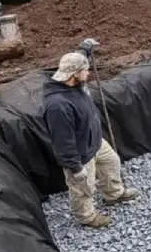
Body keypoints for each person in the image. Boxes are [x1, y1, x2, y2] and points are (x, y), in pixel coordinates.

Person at [43, 50, 141, 228]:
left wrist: (85, 50)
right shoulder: (58, 106)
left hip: (94, 142)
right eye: (85, 70)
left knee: (112, 162)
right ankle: (87, 217)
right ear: (75, 74)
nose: (88, 73)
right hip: (80, 154)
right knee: (82, 187)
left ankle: (113, 194)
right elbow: (63, 142)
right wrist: (75, 167)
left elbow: (76, 62)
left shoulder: (73, 85)